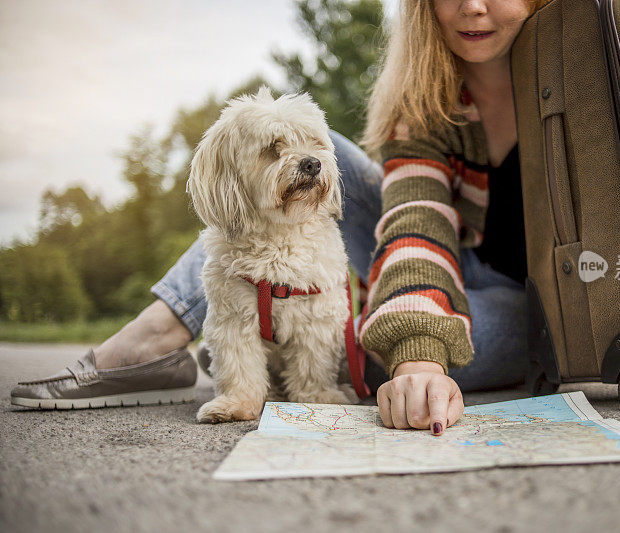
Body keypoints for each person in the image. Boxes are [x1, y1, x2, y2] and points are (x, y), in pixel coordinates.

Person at [11, 0, 544, 434]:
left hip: (519, 291)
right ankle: (156, 336)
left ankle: (255, 348)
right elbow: (416, 225)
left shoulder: (591, 72)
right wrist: (417, 342)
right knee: (313, 149)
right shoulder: (425, 100)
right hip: (418, 254)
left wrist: (413, 351)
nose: (473, 6)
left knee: (404, 355)